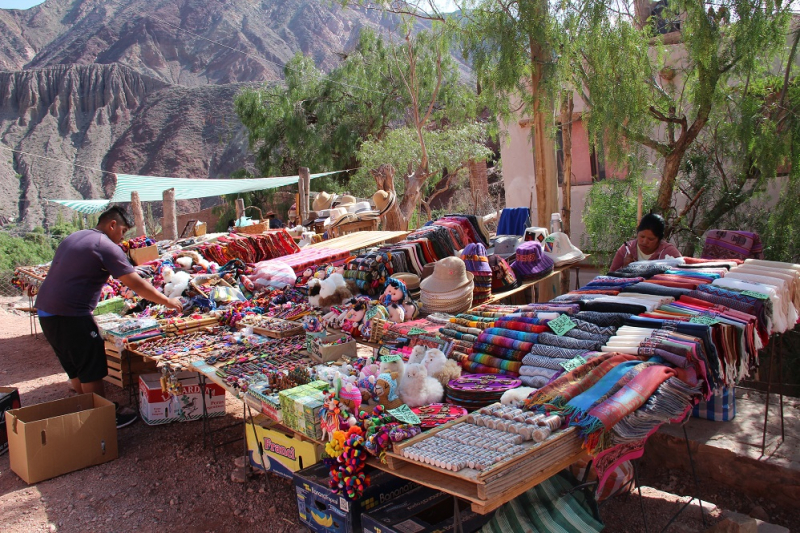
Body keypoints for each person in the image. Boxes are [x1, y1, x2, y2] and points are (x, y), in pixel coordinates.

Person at [36, 206, 182, 428]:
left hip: (46, 311)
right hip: (71, 314)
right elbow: (135, 284)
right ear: (112, 225)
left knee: (74, 364)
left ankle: (88, 407)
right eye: (123, 231)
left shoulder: (76, 236)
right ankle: (104, 418)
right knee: (91, 366)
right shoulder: (104, 245)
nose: (123, 237)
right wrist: (167, 301)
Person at [609, 213, 682, 272]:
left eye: (650, 239)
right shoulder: (626, 250)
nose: (645, 242)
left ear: (659, 239)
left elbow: (682, 275)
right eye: (642, 237)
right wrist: (625, 268)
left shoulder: (669, 252)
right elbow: (609, 278)